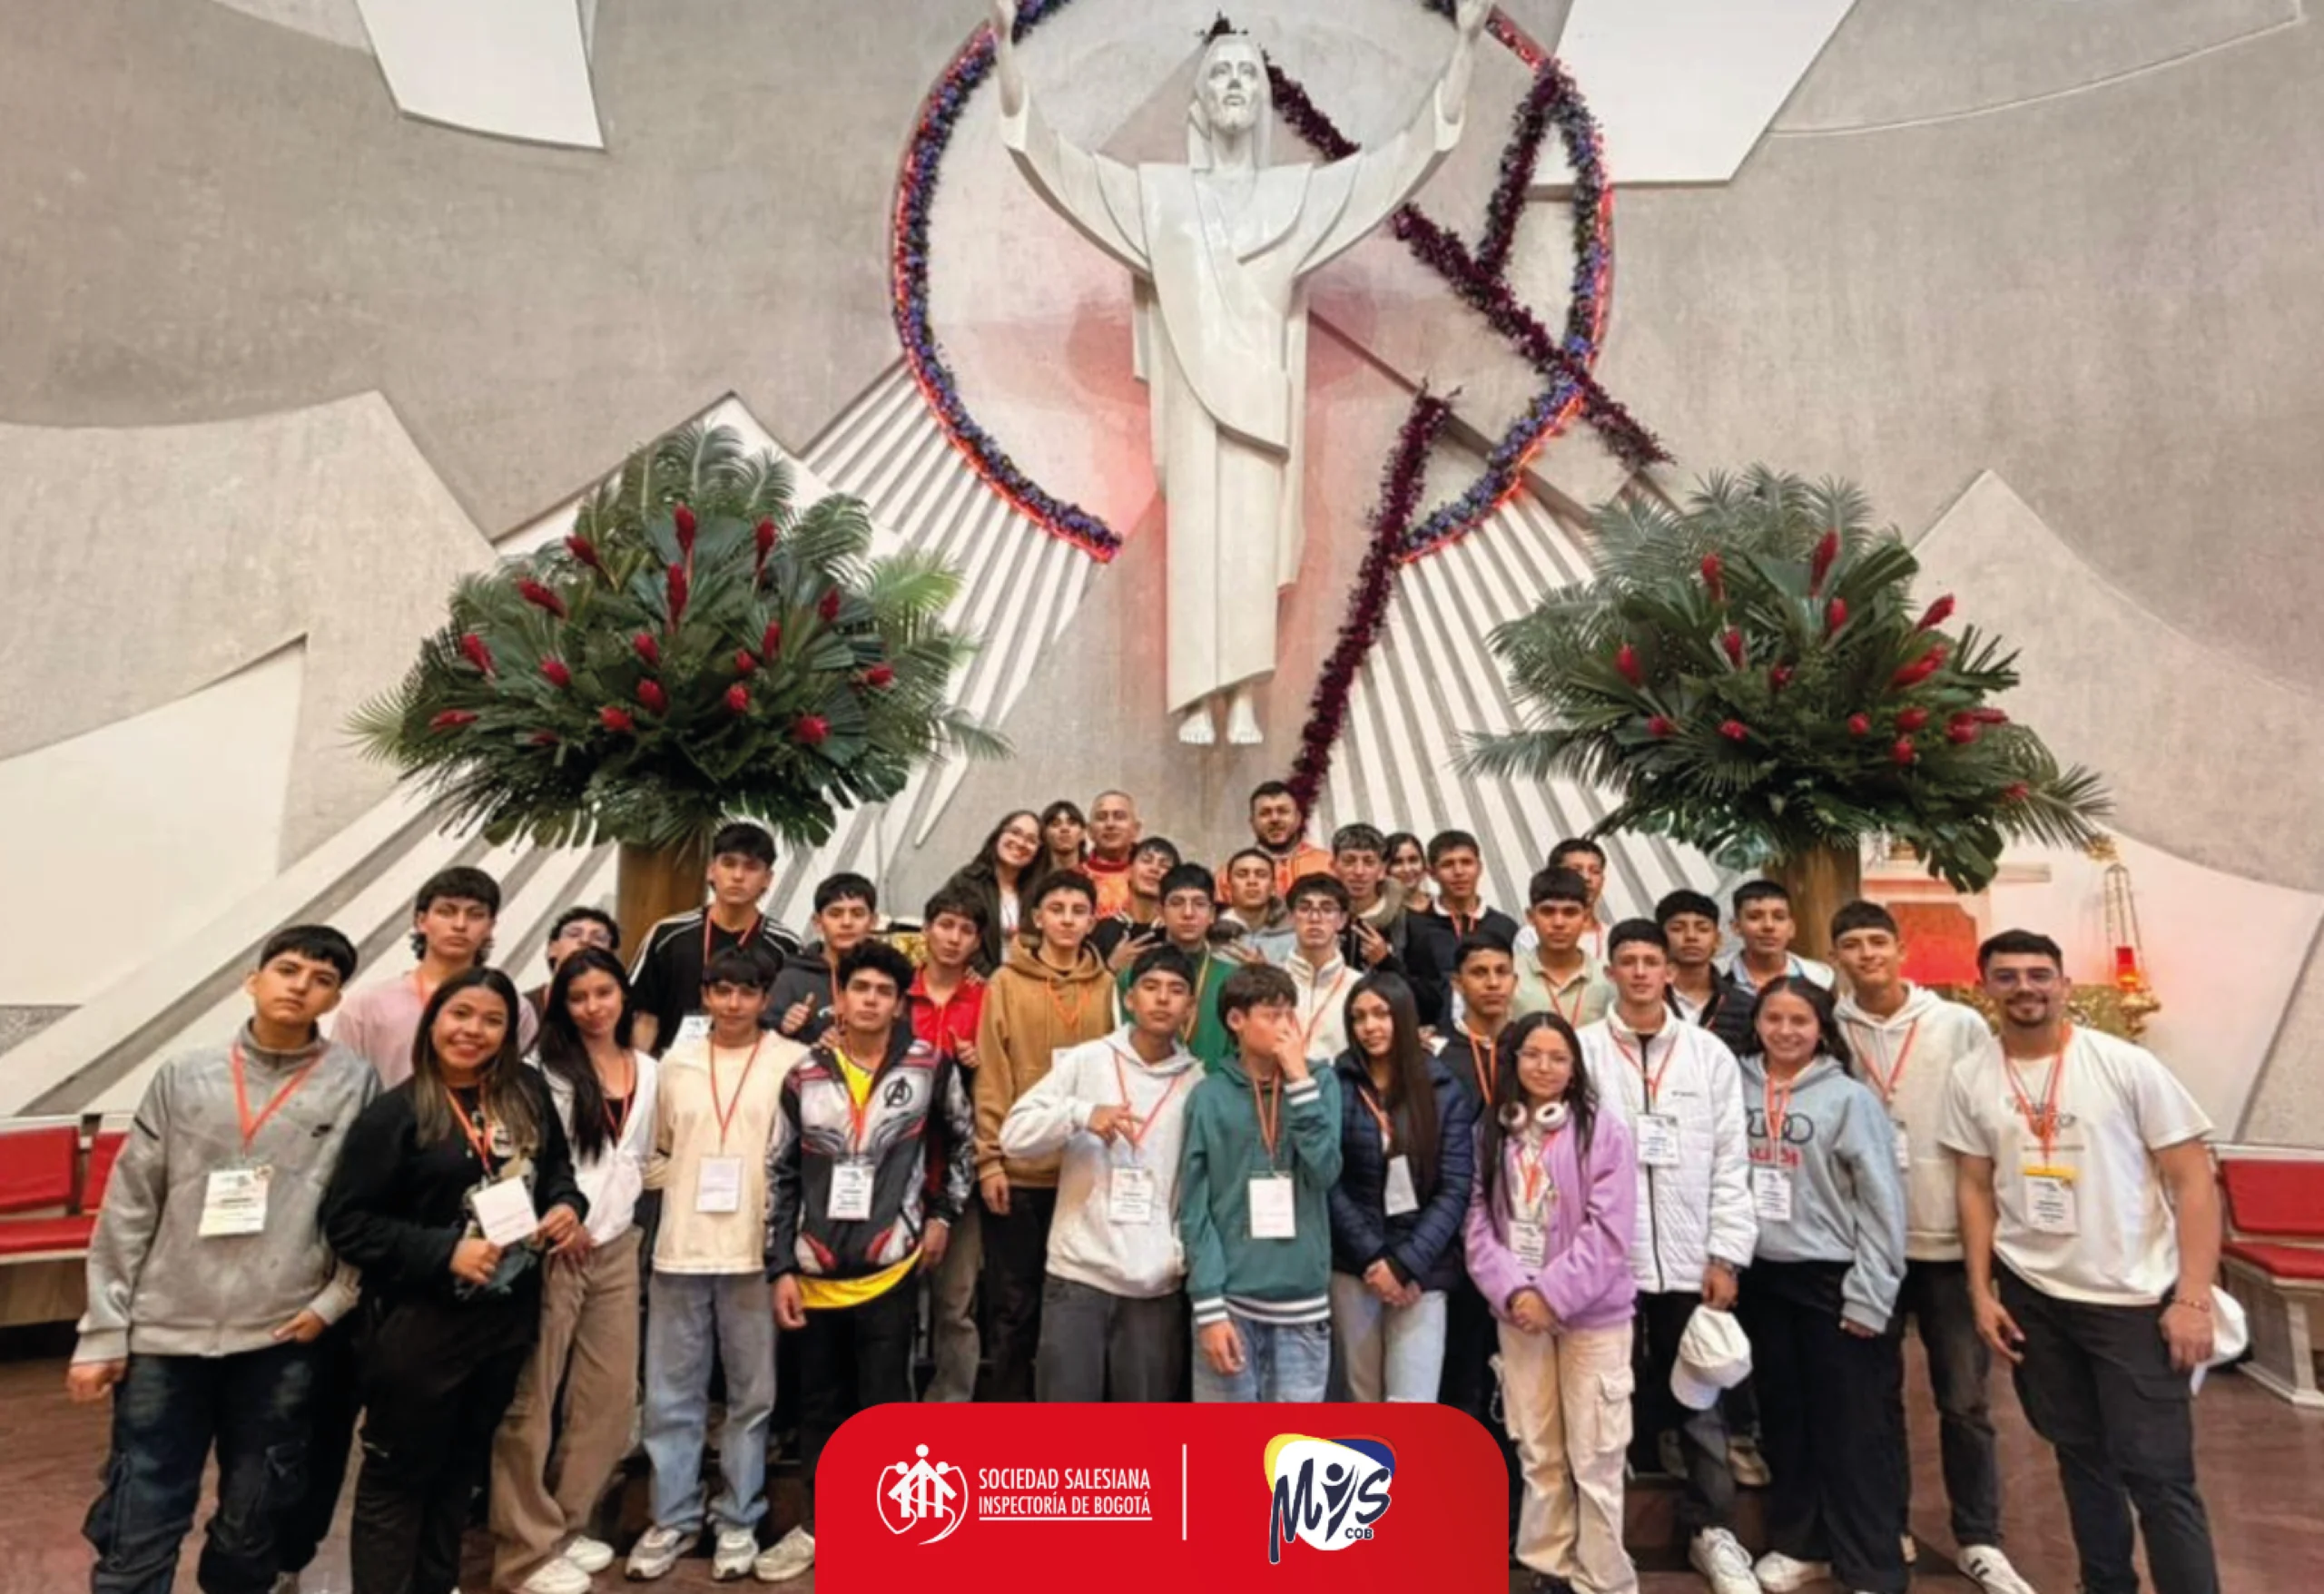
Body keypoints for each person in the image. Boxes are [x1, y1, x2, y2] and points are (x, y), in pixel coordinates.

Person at [70, 926, 375, 1594]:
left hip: (281, 1335)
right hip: (164, 1333)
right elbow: (129, 1206)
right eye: (288, 969)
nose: (301, 985)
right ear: (253, 981)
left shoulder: (355, 1082)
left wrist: (333, 1303)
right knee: (140, 1507)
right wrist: (102, 1331)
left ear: (335, 998)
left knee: (256, 1513)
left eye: (321, 979)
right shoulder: (185, 1076)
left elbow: (365, 1207)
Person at [1942, 930, 2223, 1594]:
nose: (2025, 989)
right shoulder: (1972, 1075)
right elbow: (1975, 1186)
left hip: (2129, 1300)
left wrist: (2193, 1298)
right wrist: (1981, 1292)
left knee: (2158, 1474)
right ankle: (2105, 1585)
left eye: (2039, 975)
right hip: (2036, 1298)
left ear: (2064, 985)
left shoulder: (2124, 1065)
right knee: (2080, 1458)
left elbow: (2192, 1180)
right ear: (1986, 989)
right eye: (2006, 977)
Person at [321, 968, 586, 1594]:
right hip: (421, 1328)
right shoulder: (397, 1112)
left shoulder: (523, 1092)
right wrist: (445, 1252)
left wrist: (567, 1205)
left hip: (505, 1319)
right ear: (434, 1020)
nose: (474, 1031)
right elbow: (346, 1222)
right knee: (399, 1475)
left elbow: (556, 1171)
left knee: (460, 1469)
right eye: (460, 1014)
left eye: (492, 1020)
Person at [1829, 902, 2035, 1594]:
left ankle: (1980, 1535)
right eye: (1852, 945)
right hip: (1870, 1245)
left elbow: (1991, 1124)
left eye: (1877, 942)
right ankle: (1888, 1524)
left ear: (1900, 948)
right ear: (1837, 957)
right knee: (1874, 1399)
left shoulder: (1956, 1024)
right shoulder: (1831, 1027)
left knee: (1964, 1399)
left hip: (1949, 1238)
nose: (1866, 955)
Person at [765, 940, 973, 1585]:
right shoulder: (805, 1073)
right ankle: (820, 1527)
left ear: (897, 1002)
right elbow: (781, 1173)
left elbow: (963, 1145)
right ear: (842, 997)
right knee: (820, 1408)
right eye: (861, 989)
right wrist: (780, 1268)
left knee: (885, 1408)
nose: (872, 1001)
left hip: (890, 1266)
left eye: (885, 991)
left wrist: (940, 1217)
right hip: (816, 1271)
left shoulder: (930, 1065)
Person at [1575, 920, 1758, 1594]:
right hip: (1609, 1264)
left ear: (1669, 972)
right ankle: (1603, 1535)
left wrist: (1726, 1255)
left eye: (1653, 961)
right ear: (1613, 972)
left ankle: (1714, 1531)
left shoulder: (1708, 1055)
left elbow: (1731, 1160)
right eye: (1629, 961)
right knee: (1606, 1399)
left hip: (1690, 1261)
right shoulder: (1587, 1052)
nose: (1643, 972)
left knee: (1701, 1404)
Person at [625, 946, 805, 1582]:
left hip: (755, 1252)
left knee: (752, 1397)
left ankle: (739, 1517)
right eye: (721, 991)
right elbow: (650, 1149)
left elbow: (800, 1159)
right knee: (673, 1394)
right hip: (680, 1248)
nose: (733, 1004)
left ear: (765, 998)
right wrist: (683, 1182)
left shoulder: (792, 1062)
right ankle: (673, 1517)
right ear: (705, 995)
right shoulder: (672, 1064)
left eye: (747, 993)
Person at [487, 948, 659, 1594]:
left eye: (604, 993)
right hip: (552, 1250)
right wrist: (559, 1218)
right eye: (579, 997)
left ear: (623, 996)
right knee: (532, 1403)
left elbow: (638, 1155)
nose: (593, 1007)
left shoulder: (648, 1069)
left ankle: (565, 1525)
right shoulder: (538, 1073)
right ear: (560, 1005)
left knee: (609, 1400)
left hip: (617, 1247)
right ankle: (522, 1552)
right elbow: (517, 1163)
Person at [1734, 976, 1909, 1594]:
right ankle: (1799, 1542)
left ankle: (1871, 1563)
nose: (1785, 1032)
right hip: (1761, 1275)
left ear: (1821, 1028)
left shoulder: (1847, 1099)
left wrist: (1871, 1290)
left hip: (1832, 1276)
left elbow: (1883, 1202)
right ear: (1757, 1022)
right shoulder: (1737, 1082)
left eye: (1799, 1022)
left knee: (1853, 1426)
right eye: (1774, 1019)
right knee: (1784, 1417)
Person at [1464, 1011, 1639, 1594]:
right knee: (1537, 1449)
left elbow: (1608, 1232)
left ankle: (1603, 1580)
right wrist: (1515, 1291)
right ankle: (1550, 1570)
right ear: (1514, 1062)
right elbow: (1479, 1224)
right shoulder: (1493, 1132)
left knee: (1596, 1454)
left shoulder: (1604, 1131)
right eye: (1533, 1055)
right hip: (1518, 1316)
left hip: (1593, 1318)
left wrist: (1552, 1295)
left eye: (1557, 1058)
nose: (1544, 1067)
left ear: (1574, 1068)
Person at [1000, 945, 1204, 1401]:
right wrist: (1080, 1113)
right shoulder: (1087, 1060)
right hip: (1079, 1276)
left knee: (1141, 1439)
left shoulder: (1198, 1083)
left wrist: (1173, 1257)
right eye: (1151, 987)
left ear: (1190, 1008)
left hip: (1155, 1283)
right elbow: (1013, 1136)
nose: (1162, 1000)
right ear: (1130, 999)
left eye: (1176, 991)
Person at [972, 870, 1118, 1400]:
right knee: (1014, 1306)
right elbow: (992, 1074)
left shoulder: (1108, 988)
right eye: (1056, 909)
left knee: (1079, 1305)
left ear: (1092, 920)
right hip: (1022, 1172)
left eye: (1078, 911)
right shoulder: (1005, 984)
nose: (1066, 920)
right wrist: (990, 1160)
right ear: (1037, 918)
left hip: (1085, 1171)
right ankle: (1012, 1427)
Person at [1181, 963, 1344, 1402]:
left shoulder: (1319, 1081)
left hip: (1302, 1301)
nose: (1286, 1028)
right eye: (1272, 1015)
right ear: (1237, 1021)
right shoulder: (1208, 1096)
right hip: (1230, 1303)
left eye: (1290, 1014)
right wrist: (1209, 1307)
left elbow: (1326, 1170)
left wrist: (1298, 1081)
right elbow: (1195, 1210)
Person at [1328, 971, 1476, 1402]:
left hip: (1423, 1270)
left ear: (1404, 1016)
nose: (1369, 1027)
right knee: (1362, 1399)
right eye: (1358, 1018)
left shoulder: (1442, 1088)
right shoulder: (1337, 1085)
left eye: (1380, 1014)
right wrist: (1375, 1259)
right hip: (1356, 1268)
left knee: (1412, 1405)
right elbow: (1328, 1179)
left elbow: (1455, 1187)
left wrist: (1406, 1264)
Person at [332, 864, 538, 1086]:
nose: (460, 925)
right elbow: (341, 1086)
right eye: (446, 912)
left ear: (490, 927)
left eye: (475, 915)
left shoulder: (514, 1008)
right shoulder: (367, 1005)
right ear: (421, 921)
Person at [627, 821, 802, 1057]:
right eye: (728, 864)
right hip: (672, 1068)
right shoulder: (667, 935)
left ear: (768, 878)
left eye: (751, 867)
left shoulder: (785, 946)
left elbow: (790, 1021)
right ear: (711, 870)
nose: (738, 876)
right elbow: (644, 1016)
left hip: (751, 1075)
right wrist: (643, 1079)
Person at [912, 888, 990, 1404]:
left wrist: (980, 1061)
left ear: (978, 941)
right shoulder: (896, 994)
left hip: (960, 1172)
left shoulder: (987, 1000)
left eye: (965, 930)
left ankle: (949, 1410)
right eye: (945, 925)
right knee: (891, 1305)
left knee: (954, 1305)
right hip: (894, 1172)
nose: (953, 937)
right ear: (926, 929)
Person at [1333, 822, 1444, 1025]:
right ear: (1333, 866)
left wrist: (1387, 962)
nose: (1359, 871)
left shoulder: (1409, 924)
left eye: (1368, 862)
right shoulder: (1322, 920)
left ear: (1382, 869)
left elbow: (1432, 1002)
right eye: (1349, 861)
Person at [1128, 862, 1235, 1070]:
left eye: (1199, 904)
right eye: (1177, 903)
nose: (1188, 913)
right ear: (1160, 911)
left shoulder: (1232, 977)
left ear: (1212, 914)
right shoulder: (1134, 975)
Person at [1420, 830, 1521, 1028]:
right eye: (1448, 864)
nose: (1459, 872)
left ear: (1480, 867)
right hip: (1438, 1042)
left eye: (1466, 862)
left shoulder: (1504, 927)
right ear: (1431, 873)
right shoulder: (1416, 927)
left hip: (1496, 1038)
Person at [768, 871, 879, 1047]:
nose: (847, 922)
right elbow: (758, 1040)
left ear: (873, 922)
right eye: (835, 914)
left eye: (857, 914)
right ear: (817, 922)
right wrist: (783, 1027)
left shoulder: (887, 976)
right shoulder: (791, 979)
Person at [1657, 890, 1754, 1058]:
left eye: (1702, 929)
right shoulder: (1646, 1002)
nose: (1691, 936)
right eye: (1677, 928)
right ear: (1659, 938)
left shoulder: (1745, 1006)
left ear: (1718, 940)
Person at [1513, 868, 1611, 1028]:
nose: (1559, 923)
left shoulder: (1607, 979)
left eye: (1570, 912)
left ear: (1585, 917)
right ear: (1531, 917)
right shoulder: (1508, 976)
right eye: (1548, 912)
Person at [950, 808, 1043, 974]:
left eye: (1031, 840)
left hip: (1026, 983)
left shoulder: (1040, 892)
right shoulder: (969, 881)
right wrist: (990, 978)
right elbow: (957, 933)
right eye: (1015, 832)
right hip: (976, 982)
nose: (1021, 843)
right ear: (999, 835)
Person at [1283, 874, 1358, 1065]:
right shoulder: (1271, 983)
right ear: (1291, 917)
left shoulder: (1360, 986)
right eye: (1305, 908)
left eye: (1327, 909)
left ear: (1342, 920)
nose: (1315, 918)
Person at [1724, 881, 1835, 995]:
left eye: (1779, 917)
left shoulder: (1819, 980)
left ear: (1791, 928)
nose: (1769, 926)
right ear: (1736, 927)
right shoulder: (1717, 980)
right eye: (1755, 917)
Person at [1236, 781, 1333, 900]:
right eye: (1265, 813)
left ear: (1298, 819)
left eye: (1283, 811)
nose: (1275, 819)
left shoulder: (1329, 865)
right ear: (1252, 823)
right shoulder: (1233, 873)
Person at [1091, 835, 1180, 965]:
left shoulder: (1176, 931)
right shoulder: (1103, 930)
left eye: (1164, 865)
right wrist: (1111, 966)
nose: (1154, 869)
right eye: (1146, 860)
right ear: (1129, 871)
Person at [525, 904, 620, 1020]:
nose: (585, 941)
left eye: (598, 938)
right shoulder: (520, 1009)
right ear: (552, 948)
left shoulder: (621, 1017)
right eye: (574, 934)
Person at [1218, 845, 1295, 963]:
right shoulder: (1213, 935)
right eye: (1242, 874)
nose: (1252, 881)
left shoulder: (1295, 935)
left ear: (1273, 886)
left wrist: (1265, 971)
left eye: (1261, 874)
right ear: (1228, 886)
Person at [1082, 790, 1143, 915]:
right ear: (1089, 831)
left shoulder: (1153, 875)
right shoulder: (1075, 877)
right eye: (1101, 817)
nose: (1110, 824)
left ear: (1136, 829)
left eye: (1119, 816)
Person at [1038, 798, 1090, 881]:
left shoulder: (1095, 877)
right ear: (1044, 834)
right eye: (1055, 824)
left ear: (1083, 832)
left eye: (1072, 823)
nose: (1064, 829)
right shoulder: (1031, 880)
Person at [1384, 830, 1433, 917]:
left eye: (1413, 860)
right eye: (1397, 862)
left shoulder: (1443, 907)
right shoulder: (1384, 915)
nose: (1407, 869)